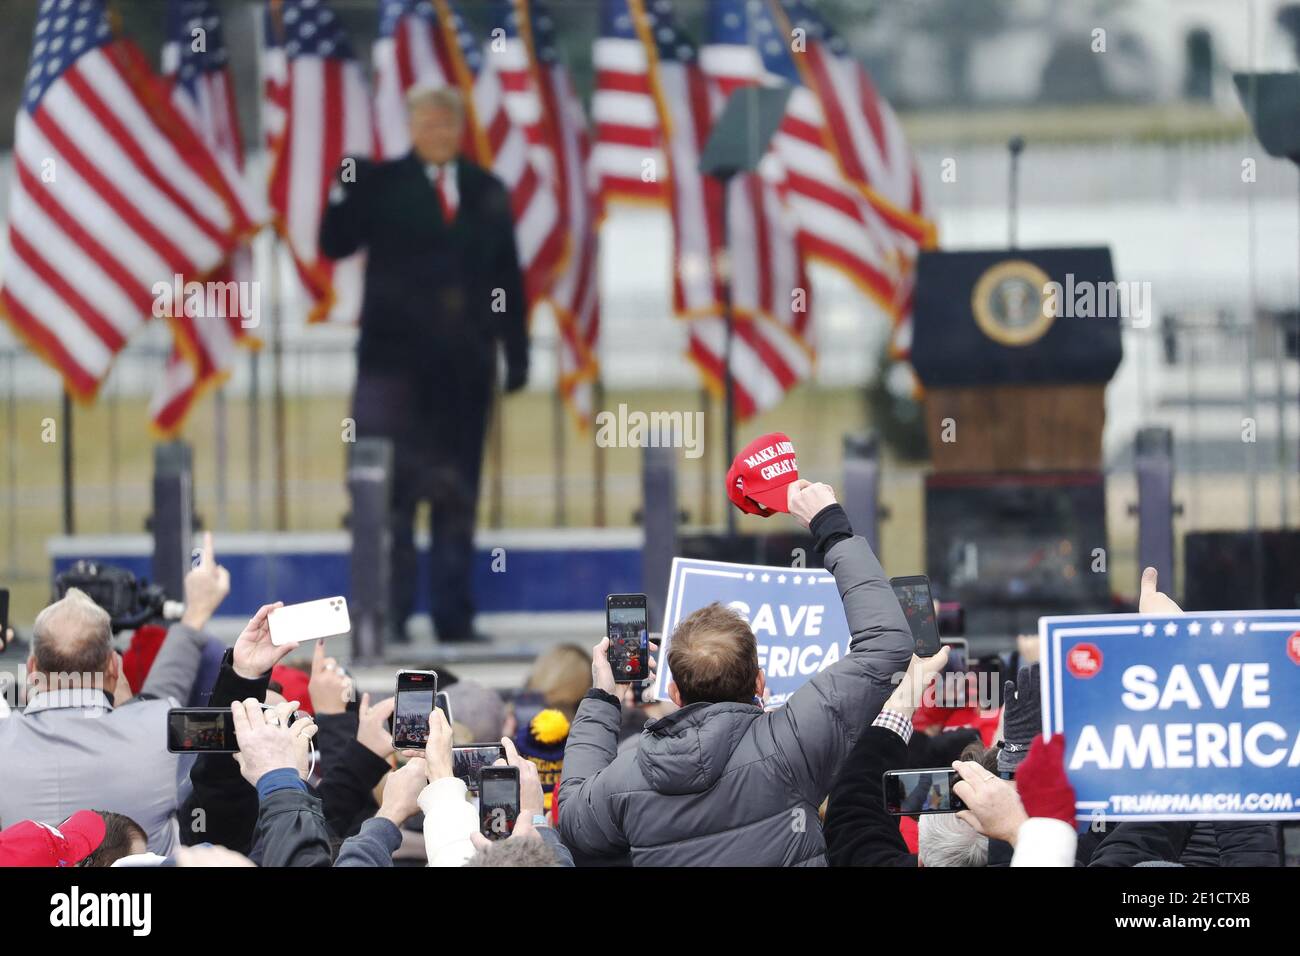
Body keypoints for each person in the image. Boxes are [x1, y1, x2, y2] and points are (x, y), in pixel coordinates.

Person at [556, 479, 915, 866]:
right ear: (760, 681)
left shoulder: (627, 776)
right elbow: (887, 643)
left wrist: (603, 698)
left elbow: (574, 821)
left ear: (674, 692)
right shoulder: (795, 742)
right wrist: (831, 526)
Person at [320, 84, 528, 645]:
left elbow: (508, 277)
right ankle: (389, 616)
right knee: (391, 498)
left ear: (460, 128)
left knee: (457, 495)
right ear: (410, 127)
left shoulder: (487, 190)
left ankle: (453, 619)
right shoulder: (380, 185)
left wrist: (518, 350)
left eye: (447, 123)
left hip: (464, 375)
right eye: (427, 123)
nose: (438, 132)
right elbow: (333, 243)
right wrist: (344, 187)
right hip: (392, 373)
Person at [0, 537, 232, 854]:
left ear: (31, 668)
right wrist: (196, 615)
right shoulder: (163, 727)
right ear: (114, 666)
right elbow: (242, 729)